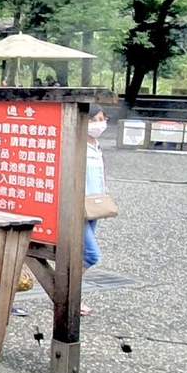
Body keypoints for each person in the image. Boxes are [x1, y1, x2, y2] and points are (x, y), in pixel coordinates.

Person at [81, 108, 110, 313]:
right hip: (78, 206)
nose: (100, 123)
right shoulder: (77, 145)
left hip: (95, 205)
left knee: (80, 255)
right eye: (95, 119)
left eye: (102, 119)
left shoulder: (96, 146)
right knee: (91, 255)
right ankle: (65, 293)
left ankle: (70, 296)